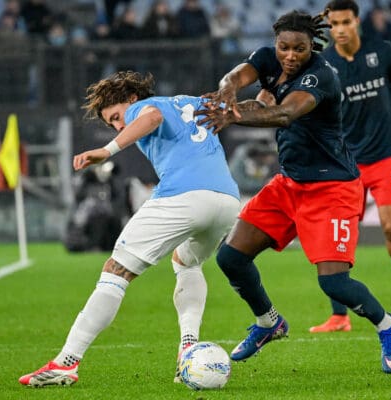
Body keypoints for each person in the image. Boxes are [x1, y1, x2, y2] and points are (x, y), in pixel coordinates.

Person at [196, 10, 391, 374]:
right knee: (230, 258)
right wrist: (227, 92)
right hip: (289, 184)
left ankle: (386, 324)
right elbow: (238, 78)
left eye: (299, 49)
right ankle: (268, 322)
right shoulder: (267, 59)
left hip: (332, 188)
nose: (290, 56)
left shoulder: (321, 76)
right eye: (284, 47)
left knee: (334, 283)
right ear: (275, 43)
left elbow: (283, 114)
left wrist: (231, 115)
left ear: (312, 48)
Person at [18, 71, 240, 387]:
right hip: (226, 200)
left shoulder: (144, 107)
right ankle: (187, 350)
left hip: (184, 196)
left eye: (116, 117)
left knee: (116, 271)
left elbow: (152, 117)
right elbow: (236, 111)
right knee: (187, 262)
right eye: (112, 125)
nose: (120, 126)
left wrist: (107, 150)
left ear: (131, 99)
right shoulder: (193, 102)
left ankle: (66, 363)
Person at [309, 0, 391, 334]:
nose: (339, 30)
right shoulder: (324, 64)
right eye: (333, 24)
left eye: (345, 22)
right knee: (332, 237)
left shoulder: (384, 52)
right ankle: (339, 316)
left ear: (357, 21)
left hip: (385, 155)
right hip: (345, 163)